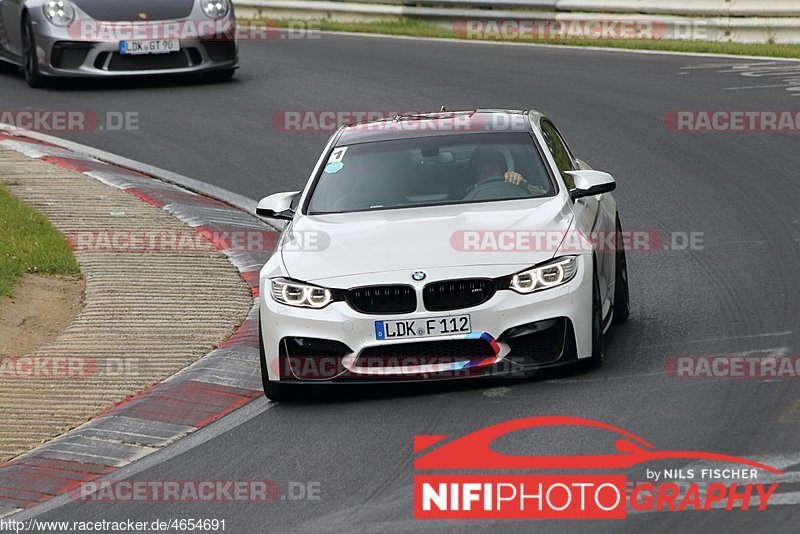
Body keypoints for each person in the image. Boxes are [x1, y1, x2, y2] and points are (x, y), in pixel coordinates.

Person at [465, 147, 547, 199]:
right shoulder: (470, 192)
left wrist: (524, 184)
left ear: (502, 170)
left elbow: (545, 196)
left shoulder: (515, 182)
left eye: (493, 170)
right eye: (482, 172)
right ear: (476, 175)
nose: (488, 174)